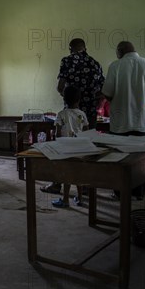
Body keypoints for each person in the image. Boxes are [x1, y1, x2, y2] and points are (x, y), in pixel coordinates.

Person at [42, 38, 105, 195]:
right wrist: (90, 102)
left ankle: (57, 184)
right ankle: (85, 186)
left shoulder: (67, 61)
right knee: (86, 150)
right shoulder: (95, 63)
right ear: (85, 48)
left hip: (69, 113)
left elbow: (60, 86)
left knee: (64, 152)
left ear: (71, 49)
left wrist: (69, 99)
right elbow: (101, 91)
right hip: (88, 114)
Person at [102, 41, 145, 199]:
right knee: (141, 158)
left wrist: (116, 98)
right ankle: (139, 193)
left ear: (120, 51)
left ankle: (120, 193)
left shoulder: (115, 66)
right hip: (141, 120)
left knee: (119, 158)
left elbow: (108, 92)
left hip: (120, 120)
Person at [51, 86, 89, 208]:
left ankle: (66, 200)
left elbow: (57, 133)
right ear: (79, 100)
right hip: (79, 149)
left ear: (64, 99)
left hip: (65, 149)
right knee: (78, 173)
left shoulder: (61, 114)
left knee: (67, 173)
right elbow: (87, 132)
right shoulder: (82, 114)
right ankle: (80, 199)